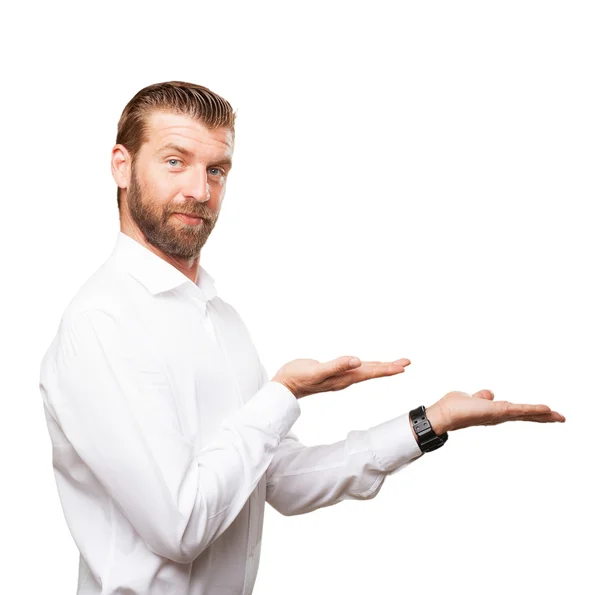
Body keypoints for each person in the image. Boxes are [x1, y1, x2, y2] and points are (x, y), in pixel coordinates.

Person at [38, 81, 565, 595]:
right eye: (175, 161)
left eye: (216, 170)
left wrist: (431, 422)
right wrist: (282, 394)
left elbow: (280, 482)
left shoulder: (219, 318)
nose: (199, 191)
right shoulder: (102, 324)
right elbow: (182, 527)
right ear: (122, 166)